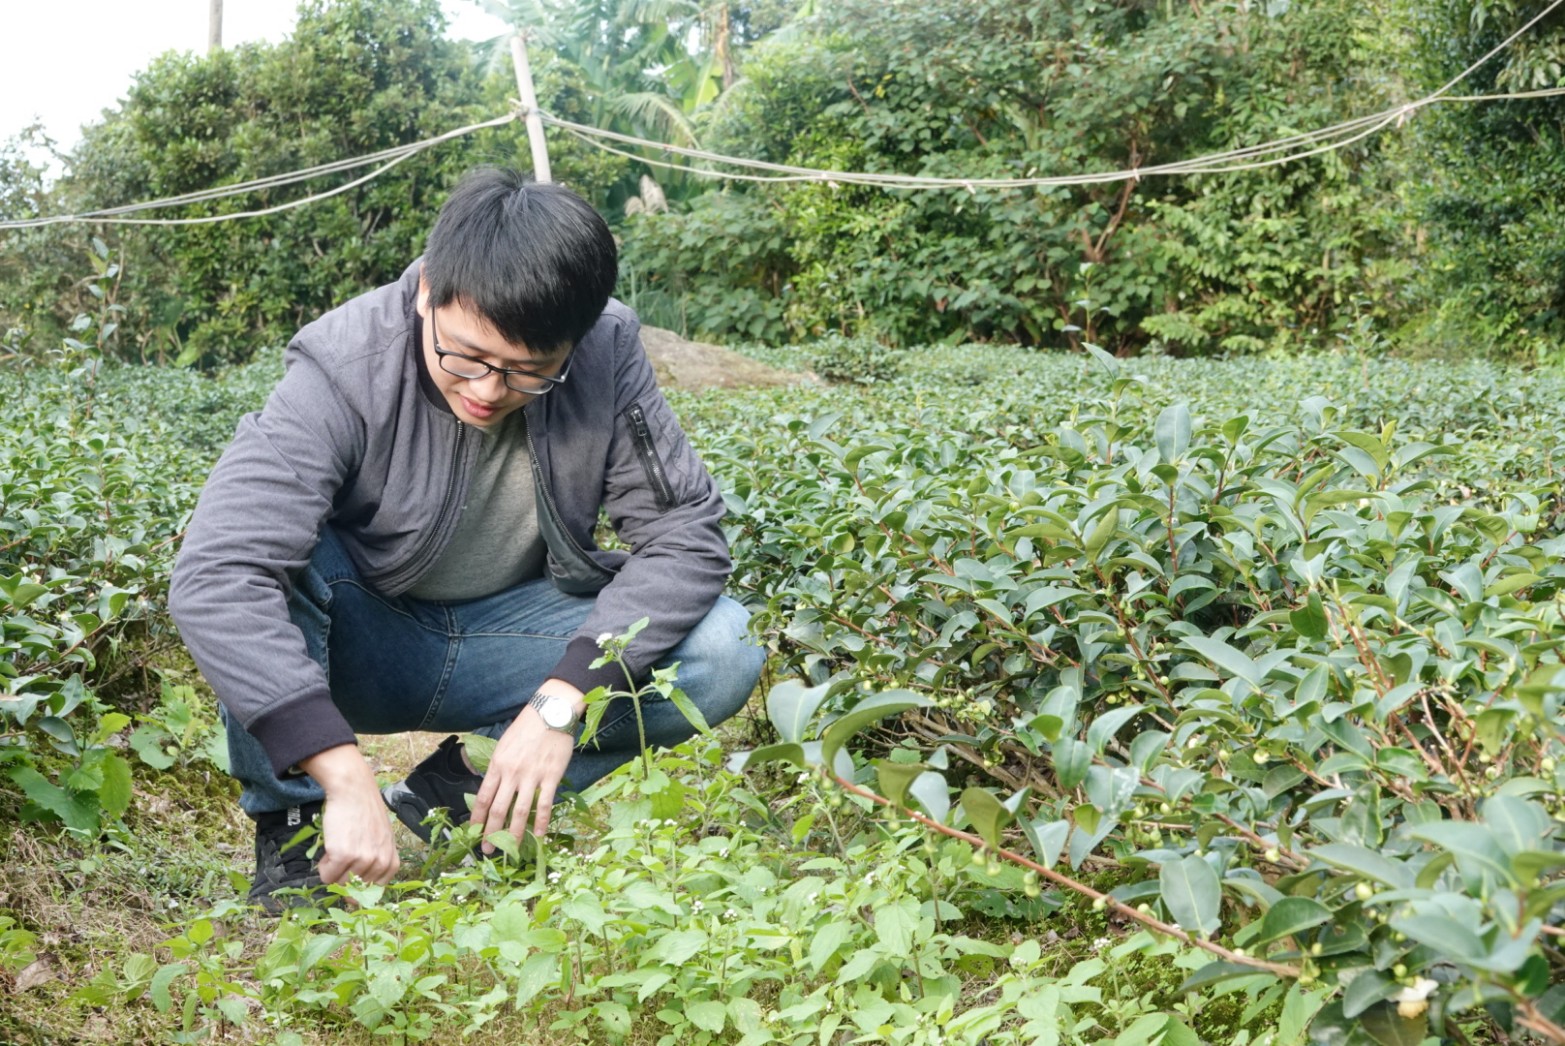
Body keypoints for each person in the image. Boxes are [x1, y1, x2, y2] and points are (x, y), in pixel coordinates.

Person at [168, 168, 764, 913]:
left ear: (572, 346)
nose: (486, 391)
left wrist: (562, 702)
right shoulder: (341, 364)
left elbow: (684, 536)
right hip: (362, 638)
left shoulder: (608, 352)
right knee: (270, 566)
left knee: (721, 646)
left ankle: (450, 797)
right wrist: (345, 772)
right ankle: (296, 829)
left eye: (527, 374)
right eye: (465, 357)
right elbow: (218, 573)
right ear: (427, 293)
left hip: (509, 636)